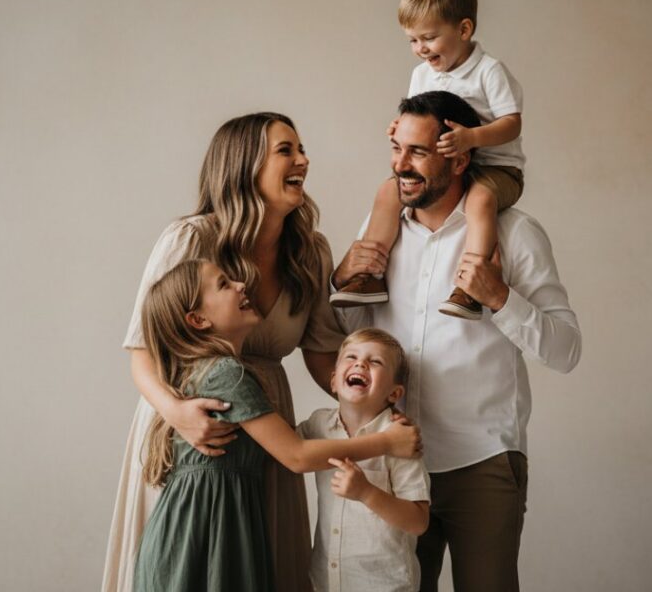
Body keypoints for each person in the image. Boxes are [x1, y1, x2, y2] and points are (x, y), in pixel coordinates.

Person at [332, 91, 582, 592]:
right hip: (393, 461)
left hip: (482, 463)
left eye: (418, 152)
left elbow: (566, 350)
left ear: (460, 157)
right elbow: (354, 333)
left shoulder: (515, 234)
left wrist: (500, 298)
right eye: (397, 149)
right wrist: (340, 281)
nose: (401, 165)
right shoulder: (379, 231)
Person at [103, 113, 348, 592]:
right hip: (189, 424)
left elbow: (323, 356)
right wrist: (178, 413)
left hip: (266, 427)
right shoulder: (192, 238)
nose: (303, 160)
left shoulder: (310, 252)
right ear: (244, 165)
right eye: (286, 150)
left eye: (301, 149)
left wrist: (372, 407)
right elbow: (142, 351)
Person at [132, 260, 422, 592]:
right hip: (203, 532)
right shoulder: (227, 374)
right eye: (224, 284)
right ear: (198, 319)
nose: (241, 284)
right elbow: (296, 455)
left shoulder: (208, 371)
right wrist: (386, 442)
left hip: (203, 526)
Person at [330, 0, 525, 321]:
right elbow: (417, 115)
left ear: (463, 30)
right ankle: (369, 274)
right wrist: (400, 126)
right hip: (444, 171)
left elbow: (512, 123)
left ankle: (471, 284)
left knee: (480, 198)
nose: (420, 48)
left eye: (430, 38)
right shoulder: (422, 74)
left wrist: (472, 138)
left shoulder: (489, 71)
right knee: (388, 191)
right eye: (412, 40)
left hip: (495, 168)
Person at [297, 328, 430, 592]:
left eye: (375, 361)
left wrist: (366, 492)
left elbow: (418, 522)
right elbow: (286, 450)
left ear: (394, 393)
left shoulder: (400, 440)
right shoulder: (318, 425)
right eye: (351, 357)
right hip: (326, 580)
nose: (360, 364)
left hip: (384, 584)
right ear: (333, 381)